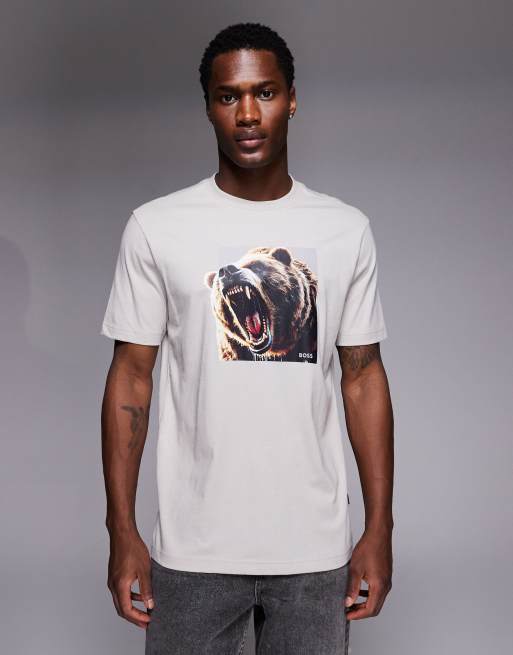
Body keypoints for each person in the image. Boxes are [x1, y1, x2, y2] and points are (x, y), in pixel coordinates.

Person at [100, 21, 394, 655]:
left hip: (314, 552)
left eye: (265, 92)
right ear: (208, 107)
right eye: (228, 96)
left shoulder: (345, 230)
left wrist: (379, 529)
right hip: (193, 551)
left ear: (293, 99)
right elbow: (130, 380)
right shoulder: (157, 227)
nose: (249, 114)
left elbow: (363, 377)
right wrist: (121, 531)